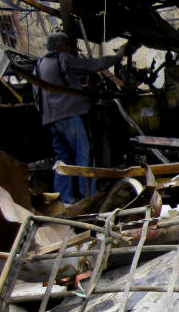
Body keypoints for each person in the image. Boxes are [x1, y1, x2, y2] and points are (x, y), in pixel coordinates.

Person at [35, 32, 128, 204]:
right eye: (66, 44)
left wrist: (76, 86)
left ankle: (63, 199)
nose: (69, 47)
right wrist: (118, 56)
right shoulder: (65, 59)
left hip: (51, 118)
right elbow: (93, 64)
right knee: (84, 154)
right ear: (59, 46)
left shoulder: (41, 63)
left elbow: (51, 87)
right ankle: (88, 197)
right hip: (69, 116)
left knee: (62, 160)